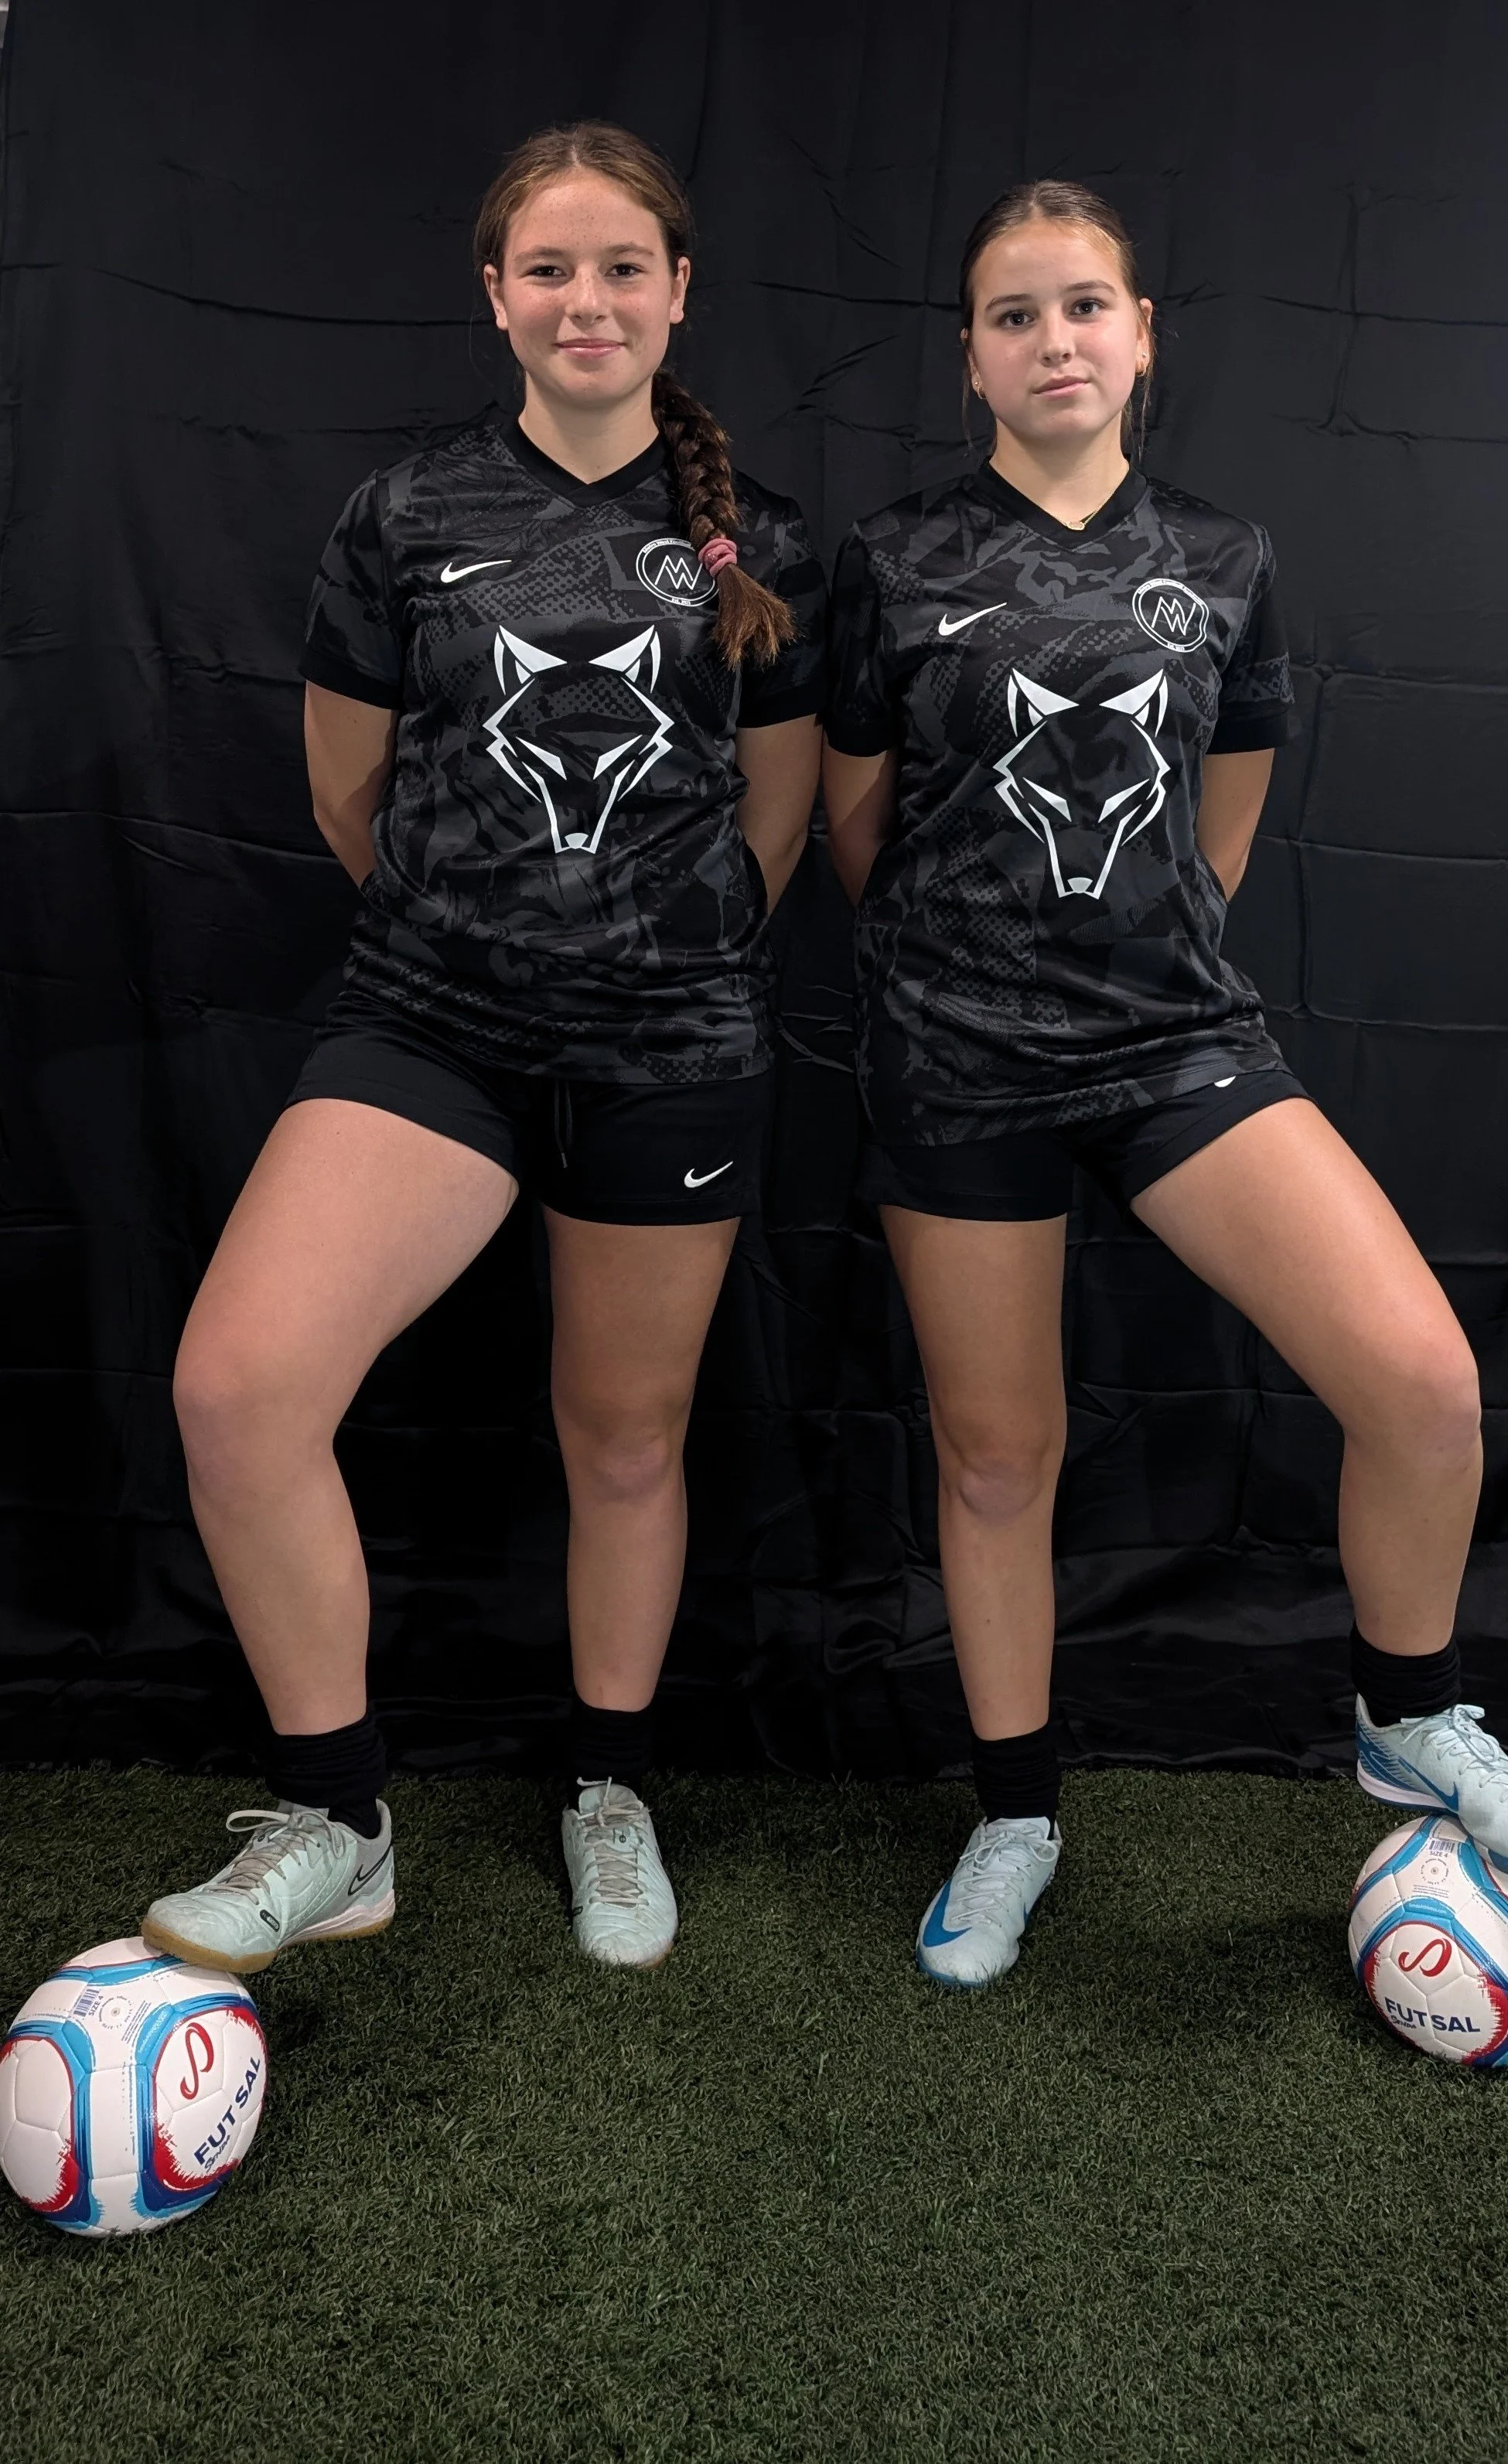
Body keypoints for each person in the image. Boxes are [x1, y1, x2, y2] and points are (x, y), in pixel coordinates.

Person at [821, 179, 1508, 1991]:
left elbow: (1223, 815)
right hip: (955, 1060)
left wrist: (1140, 955)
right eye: (1015, 316)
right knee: (998, 1458)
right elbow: (858, 823)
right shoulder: (893, 557)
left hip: (1177, 1046)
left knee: (1422, 1382)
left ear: (1143, 333)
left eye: (1085, 305)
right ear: (971, 360)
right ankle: (1016, 1815)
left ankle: (1410, 1713)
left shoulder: (1225, 556)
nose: (1055, 341)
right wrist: (967, 965)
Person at [141, 123, 824, 1978]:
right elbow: (343, 791)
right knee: (239, 1390)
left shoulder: (767, 543)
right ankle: (339, 1821)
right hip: (432, 1028)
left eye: (623, 268)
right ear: (497, 296)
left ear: (678, 292)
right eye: (549, 269)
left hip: (672, 1045)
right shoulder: (406, 513)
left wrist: (652, 957)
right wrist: (484, 937)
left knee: (625, 1433)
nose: (586, 300)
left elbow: (774, 821)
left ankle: (608, 1786)